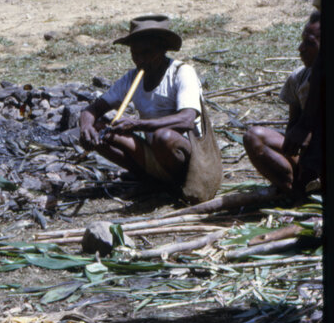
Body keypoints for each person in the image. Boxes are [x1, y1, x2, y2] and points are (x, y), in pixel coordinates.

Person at [79, 16, 222, 204]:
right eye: (135, 54)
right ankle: (152, 181)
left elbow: (186, 119)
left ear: (162, 49)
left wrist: (139, 124)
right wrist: (86, 126)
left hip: (188, 158)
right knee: (99, 131)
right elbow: (93, 109)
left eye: (146, 52)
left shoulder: (181, 72)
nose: (140, 60)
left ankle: (178, 185)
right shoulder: (132, 78)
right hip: (154, 153)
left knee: (164, 137)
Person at [242, 12, 321, 195]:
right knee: (254, 137)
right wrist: (301, 143)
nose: (301, 48)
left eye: (310, 43)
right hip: (308, 159)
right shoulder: (299, 78)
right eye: (302, 41)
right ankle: (294, 190)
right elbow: (293, 131)